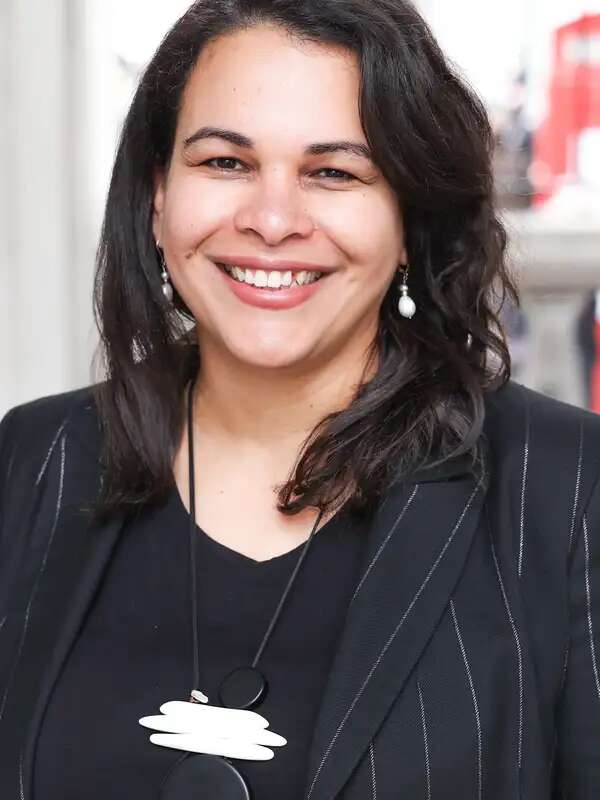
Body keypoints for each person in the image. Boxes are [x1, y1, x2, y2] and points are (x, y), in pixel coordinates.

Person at [1, 1, 600, 798]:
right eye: (224, 163)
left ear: (407, 218)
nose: (272, 220)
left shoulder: (566, 491)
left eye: (334, 173)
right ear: (156, 196)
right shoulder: (34, 459)